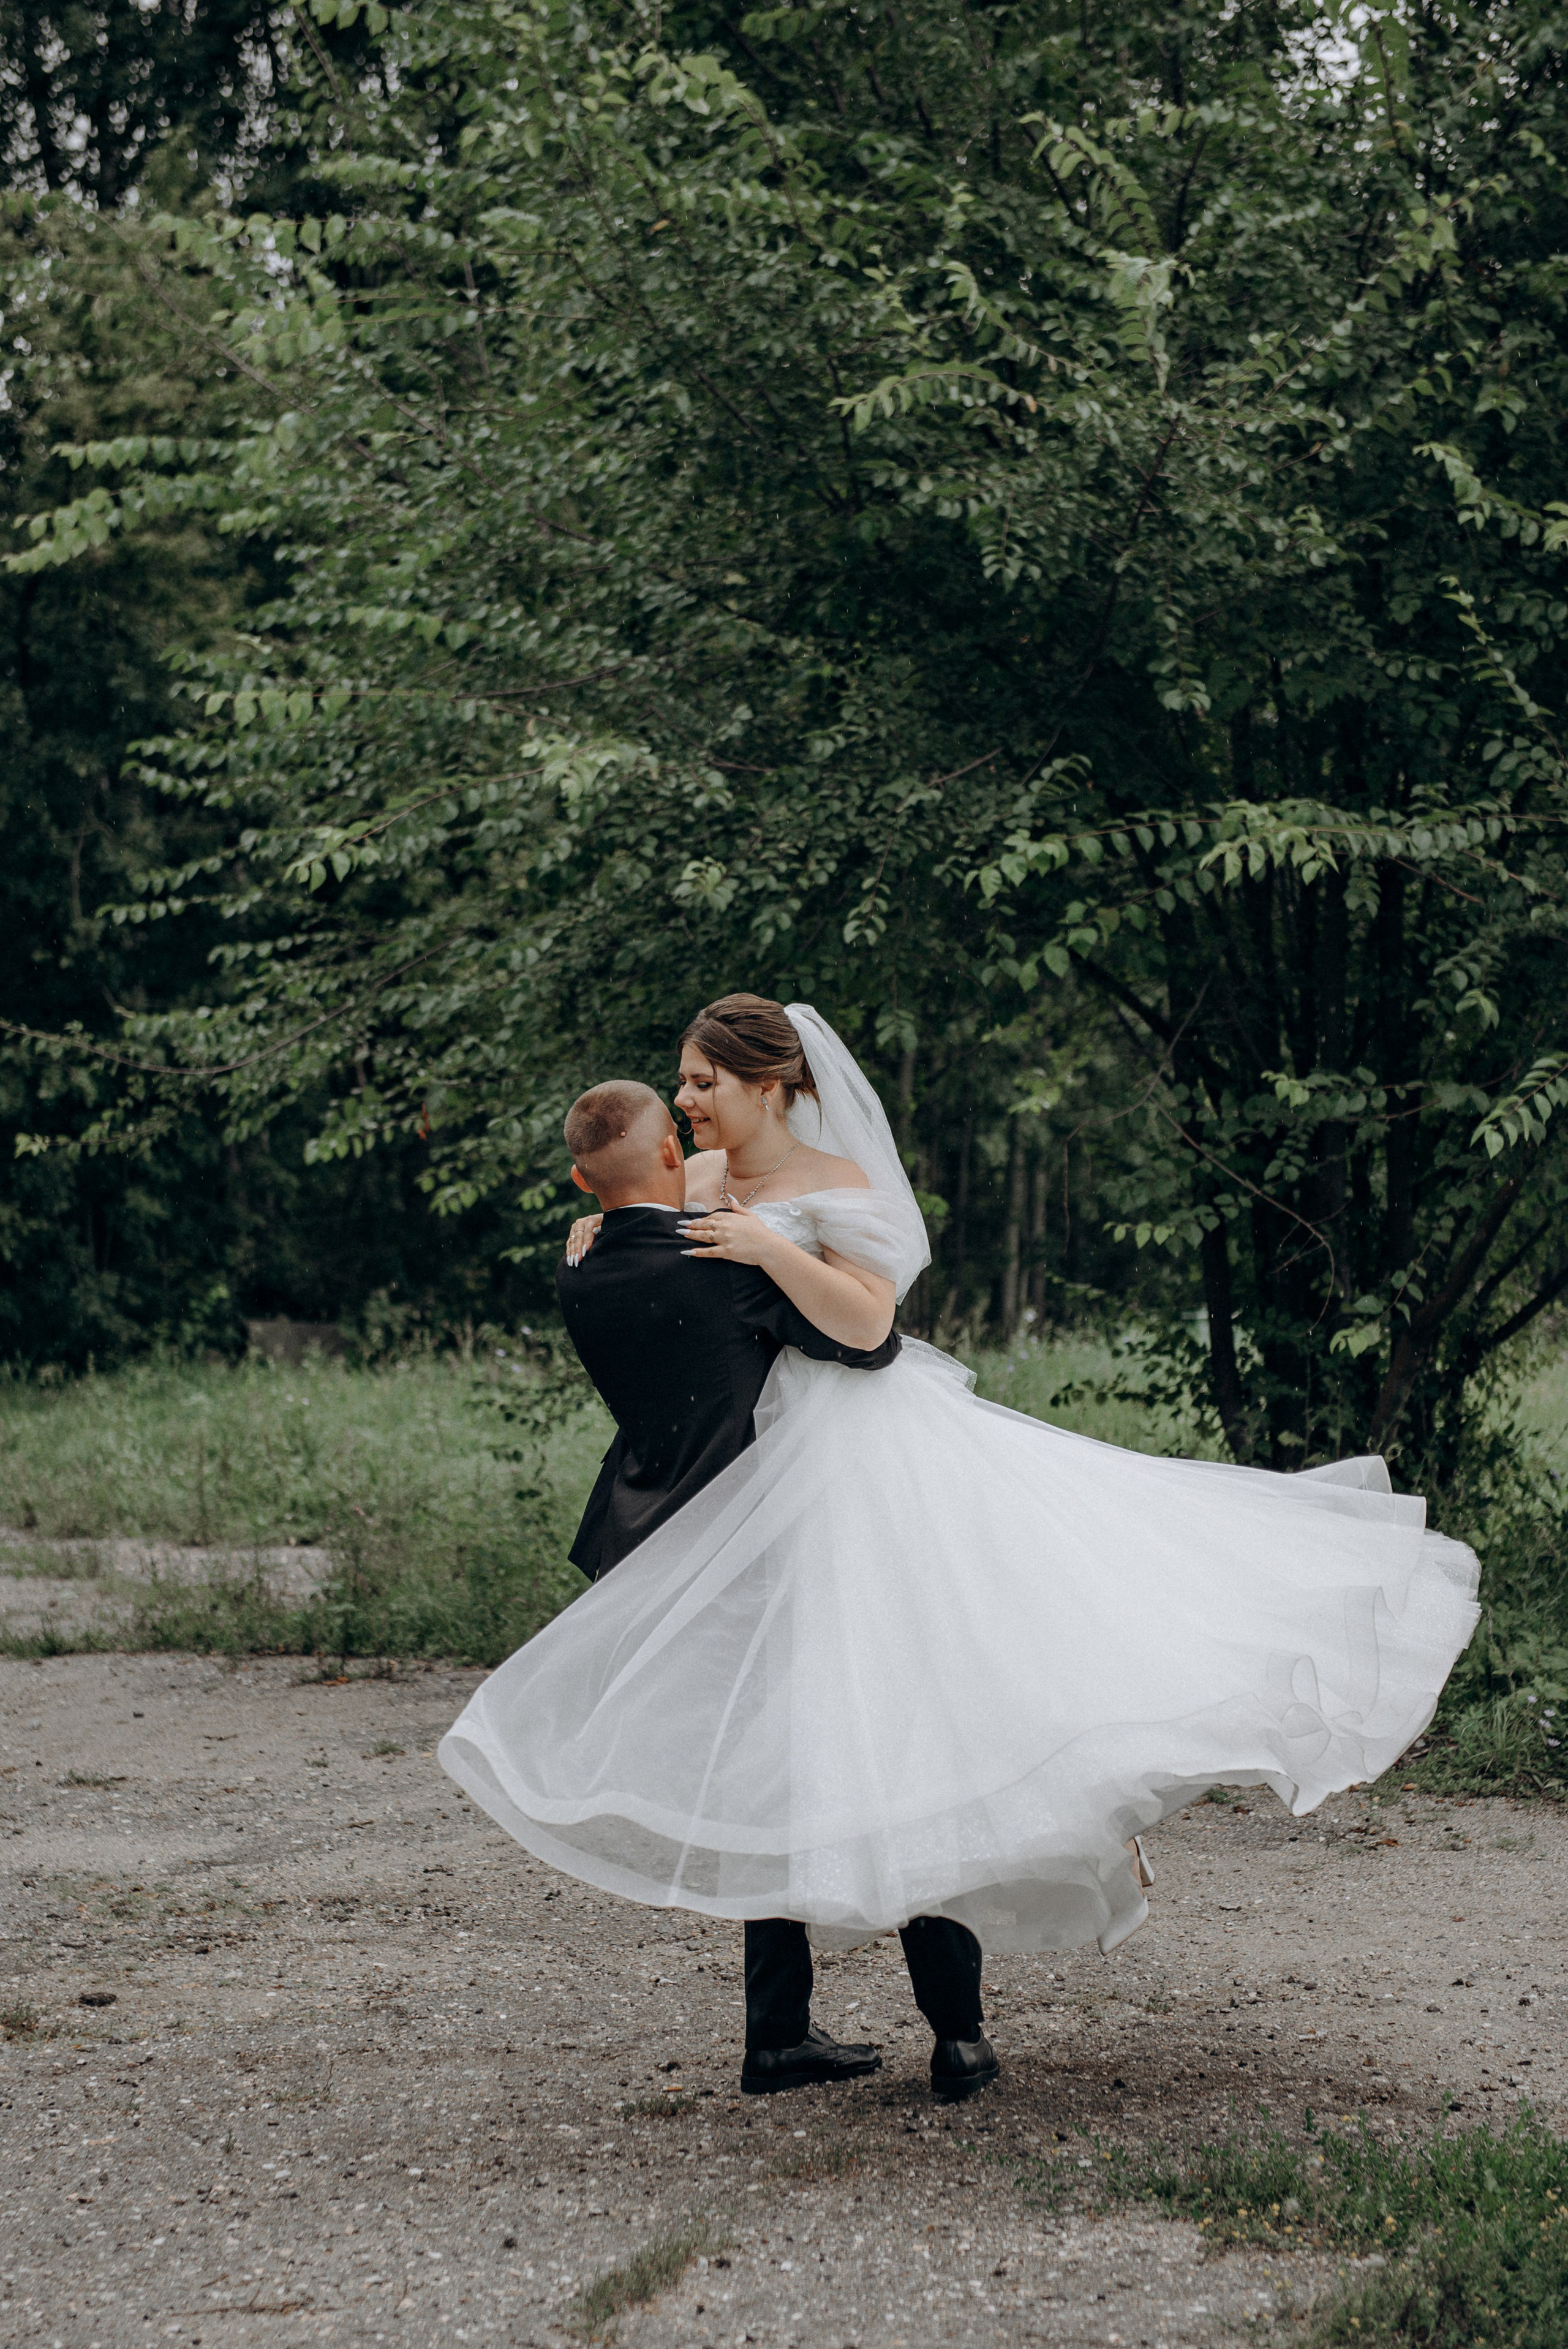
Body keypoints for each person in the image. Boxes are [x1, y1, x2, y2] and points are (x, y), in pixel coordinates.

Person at [442, 997, 1480, 2096]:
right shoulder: (695, 1180)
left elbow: (868, 1330)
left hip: (865, 1471)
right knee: (778, 1736)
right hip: (759, 1485)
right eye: (685, 1084)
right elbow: (652, 1232)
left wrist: (762, 1249)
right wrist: (599, 1224)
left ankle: (957, 2029)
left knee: (909, 1722)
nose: (689, 1099)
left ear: (773, 1085)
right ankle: (776, 2034)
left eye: (705, 1081)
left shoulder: (840, 1188)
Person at [442, 1073, 998, 2100]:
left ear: (580, 1178)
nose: (694, 1112)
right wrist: (776, 1250)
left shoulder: (579, 1268)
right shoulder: (720, 1265)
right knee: (899, 1748)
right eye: (680, 1106)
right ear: (666, 1160)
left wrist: (606, 1213)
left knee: (764, 1772)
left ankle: (776, 2034)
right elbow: (865, 1346)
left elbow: (633, 1216)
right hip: (785, 1534)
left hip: (679, 1545)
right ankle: (956, 2033)